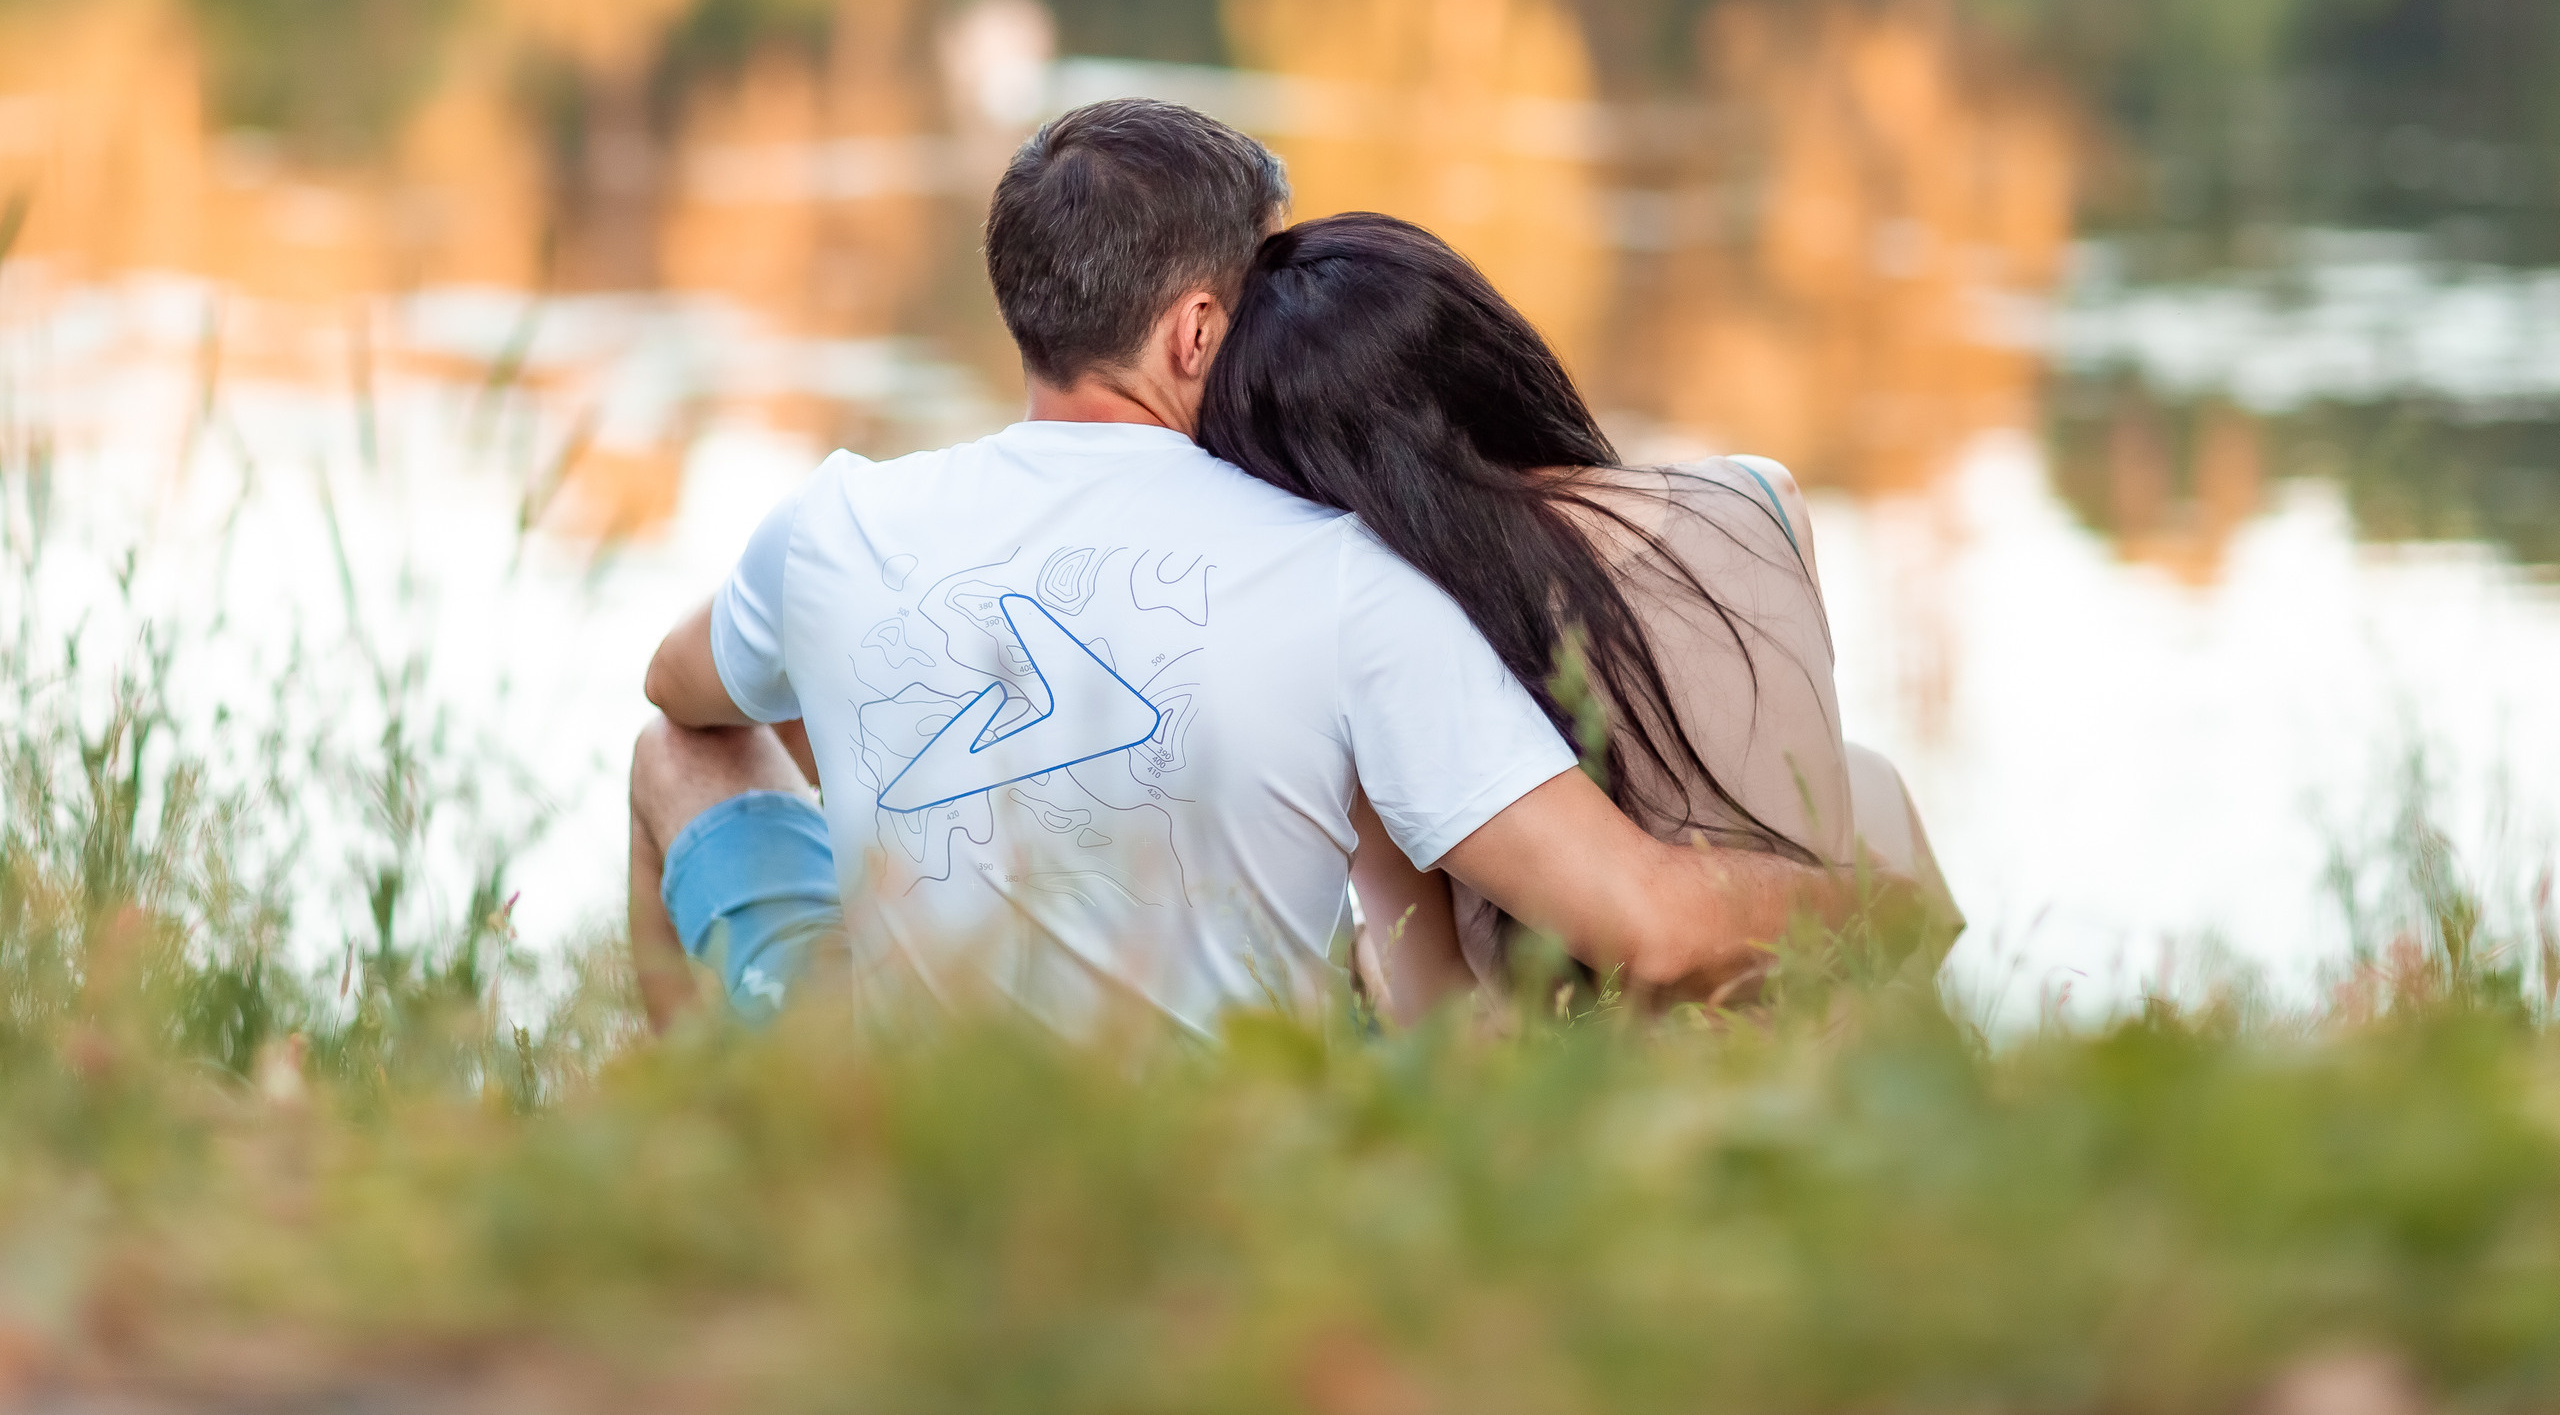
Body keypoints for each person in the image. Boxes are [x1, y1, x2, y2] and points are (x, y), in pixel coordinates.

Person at [629, 99, 1907, 1037]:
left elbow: (679, 689)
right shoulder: (1342, 577)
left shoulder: (836, 522)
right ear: (1195, 332)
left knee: (674, 758)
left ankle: (723, 1167)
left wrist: (893, 775)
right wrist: (1864, 900)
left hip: (906, 1133)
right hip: (1225, 1155)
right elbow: (1657, 929)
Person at [1196, 211, 1960, 1020]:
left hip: (1621, 1094)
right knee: (1867, 778)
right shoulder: (1764, 494)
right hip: (1831, 1011)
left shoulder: (1399, 624)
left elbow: (1438, 1018)